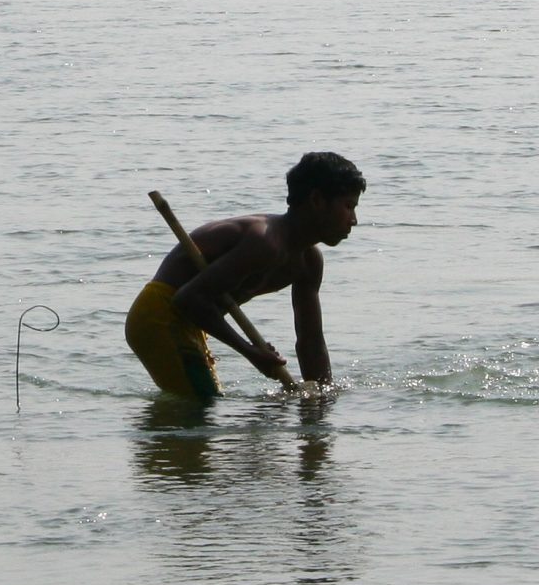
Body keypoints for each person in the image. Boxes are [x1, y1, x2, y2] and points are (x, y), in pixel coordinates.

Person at [124, 151, 364, 399]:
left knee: (207, 401)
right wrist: (250, 352)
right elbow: (188, 299)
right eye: (348, 206)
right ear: (316, 200)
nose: (354, 220)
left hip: (191, 323)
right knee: (202, 402)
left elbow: (311, 341)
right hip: (159, 316)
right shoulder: (265, 242)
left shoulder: (309, 262)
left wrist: (320, 399)